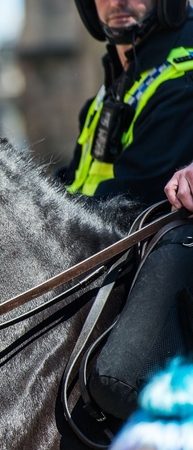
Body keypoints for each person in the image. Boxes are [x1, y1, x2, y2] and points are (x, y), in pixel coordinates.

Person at [60, 0, 193, 428]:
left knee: (115, 379)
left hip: (154, 250)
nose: (117, 1)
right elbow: (74, 184)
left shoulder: (184, 70)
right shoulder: (109, 89)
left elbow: (134, 191)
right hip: (99, 248)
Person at [60, 0, 193, 207]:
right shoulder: (119, 80)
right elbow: (72, 180)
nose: (116, 2)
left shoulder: (183, 79)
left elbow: (130, 199)